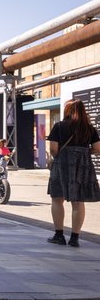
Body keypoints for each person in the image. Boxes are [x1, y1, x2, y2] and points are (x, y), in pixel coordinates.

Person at [46, 99, 100, 247]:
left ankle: (59, 235)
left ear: (68, 111)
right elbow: (97, 148)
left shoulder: (59, 126)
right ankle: (75, 238)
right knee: (78, 201)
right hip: (82, 166)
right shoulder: (89, 129)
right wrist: (83, 152)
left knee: (57, 199)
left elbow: (53, 149)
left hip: (61, 165)